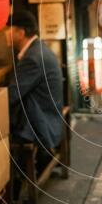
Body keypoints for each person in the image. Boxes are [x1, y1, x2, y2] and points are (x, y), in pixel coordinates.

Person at [5, 9, 64, 155]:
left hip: (42, 124)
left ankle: (14, 175)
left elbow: (12, 95)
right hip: (50, 116)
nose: (5, 33)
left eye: (9, 29)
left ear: (21, 32)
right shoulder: (38, 49)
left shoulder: (33, 58)